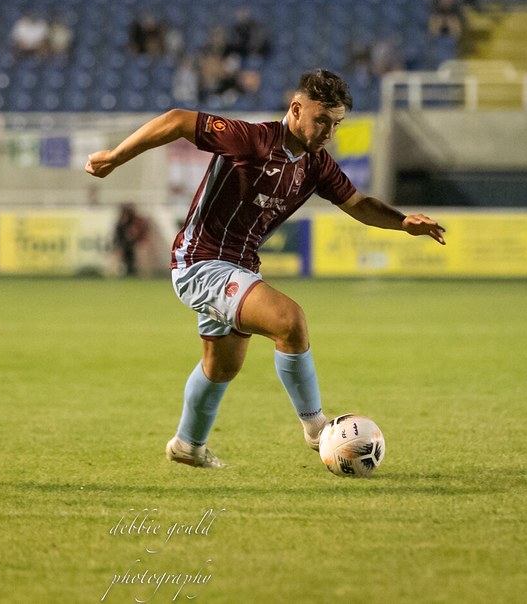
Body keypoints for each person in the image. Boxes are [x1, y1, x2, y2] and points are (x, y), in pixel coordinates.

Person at [85, 69, 445, 468]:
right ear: (296, 109)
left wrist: (403, 222)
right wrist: (115, 157)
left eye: (336, 124)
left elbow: (358, 204)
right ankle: (317, 430)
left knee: (221, 367)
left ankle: (188, 445)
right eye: (322, 120)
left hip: (240, 267)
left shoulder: (316, 165)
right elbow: (177, 120)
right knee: (289, 321)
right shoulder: (252, 140)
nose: (329, 132)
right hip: (201, 261)